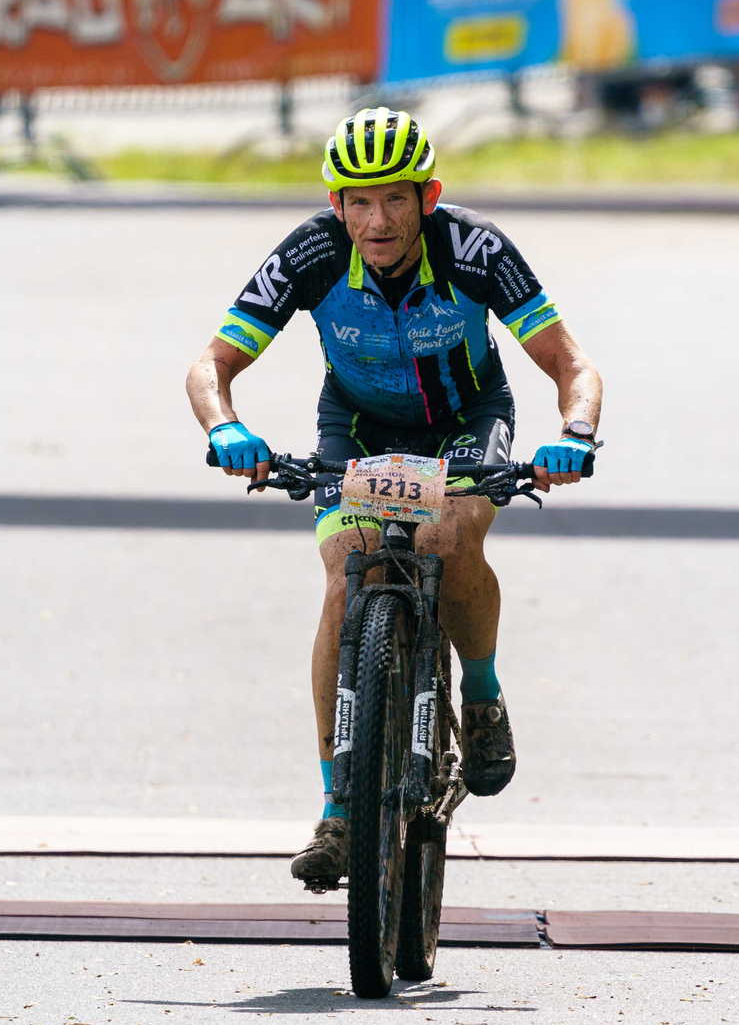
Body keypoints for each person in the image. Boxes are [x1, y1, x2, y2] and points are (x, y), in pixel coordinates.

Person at [185, 108, 604, 884]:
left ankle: (481, 695)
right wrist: (226, 427)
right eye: (359, 202)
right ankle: (338, 811)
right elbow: (211, 364)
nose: (377, 222)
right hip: (357, 426)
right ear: (336, 205)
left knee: (447, 534)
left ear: (428, 197)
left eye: (395, 201)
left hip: (467, 421)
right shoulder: (313, 252)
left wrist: (574, 434)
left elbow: (571, 364)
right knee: (346, 573)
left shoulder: (474, 248)